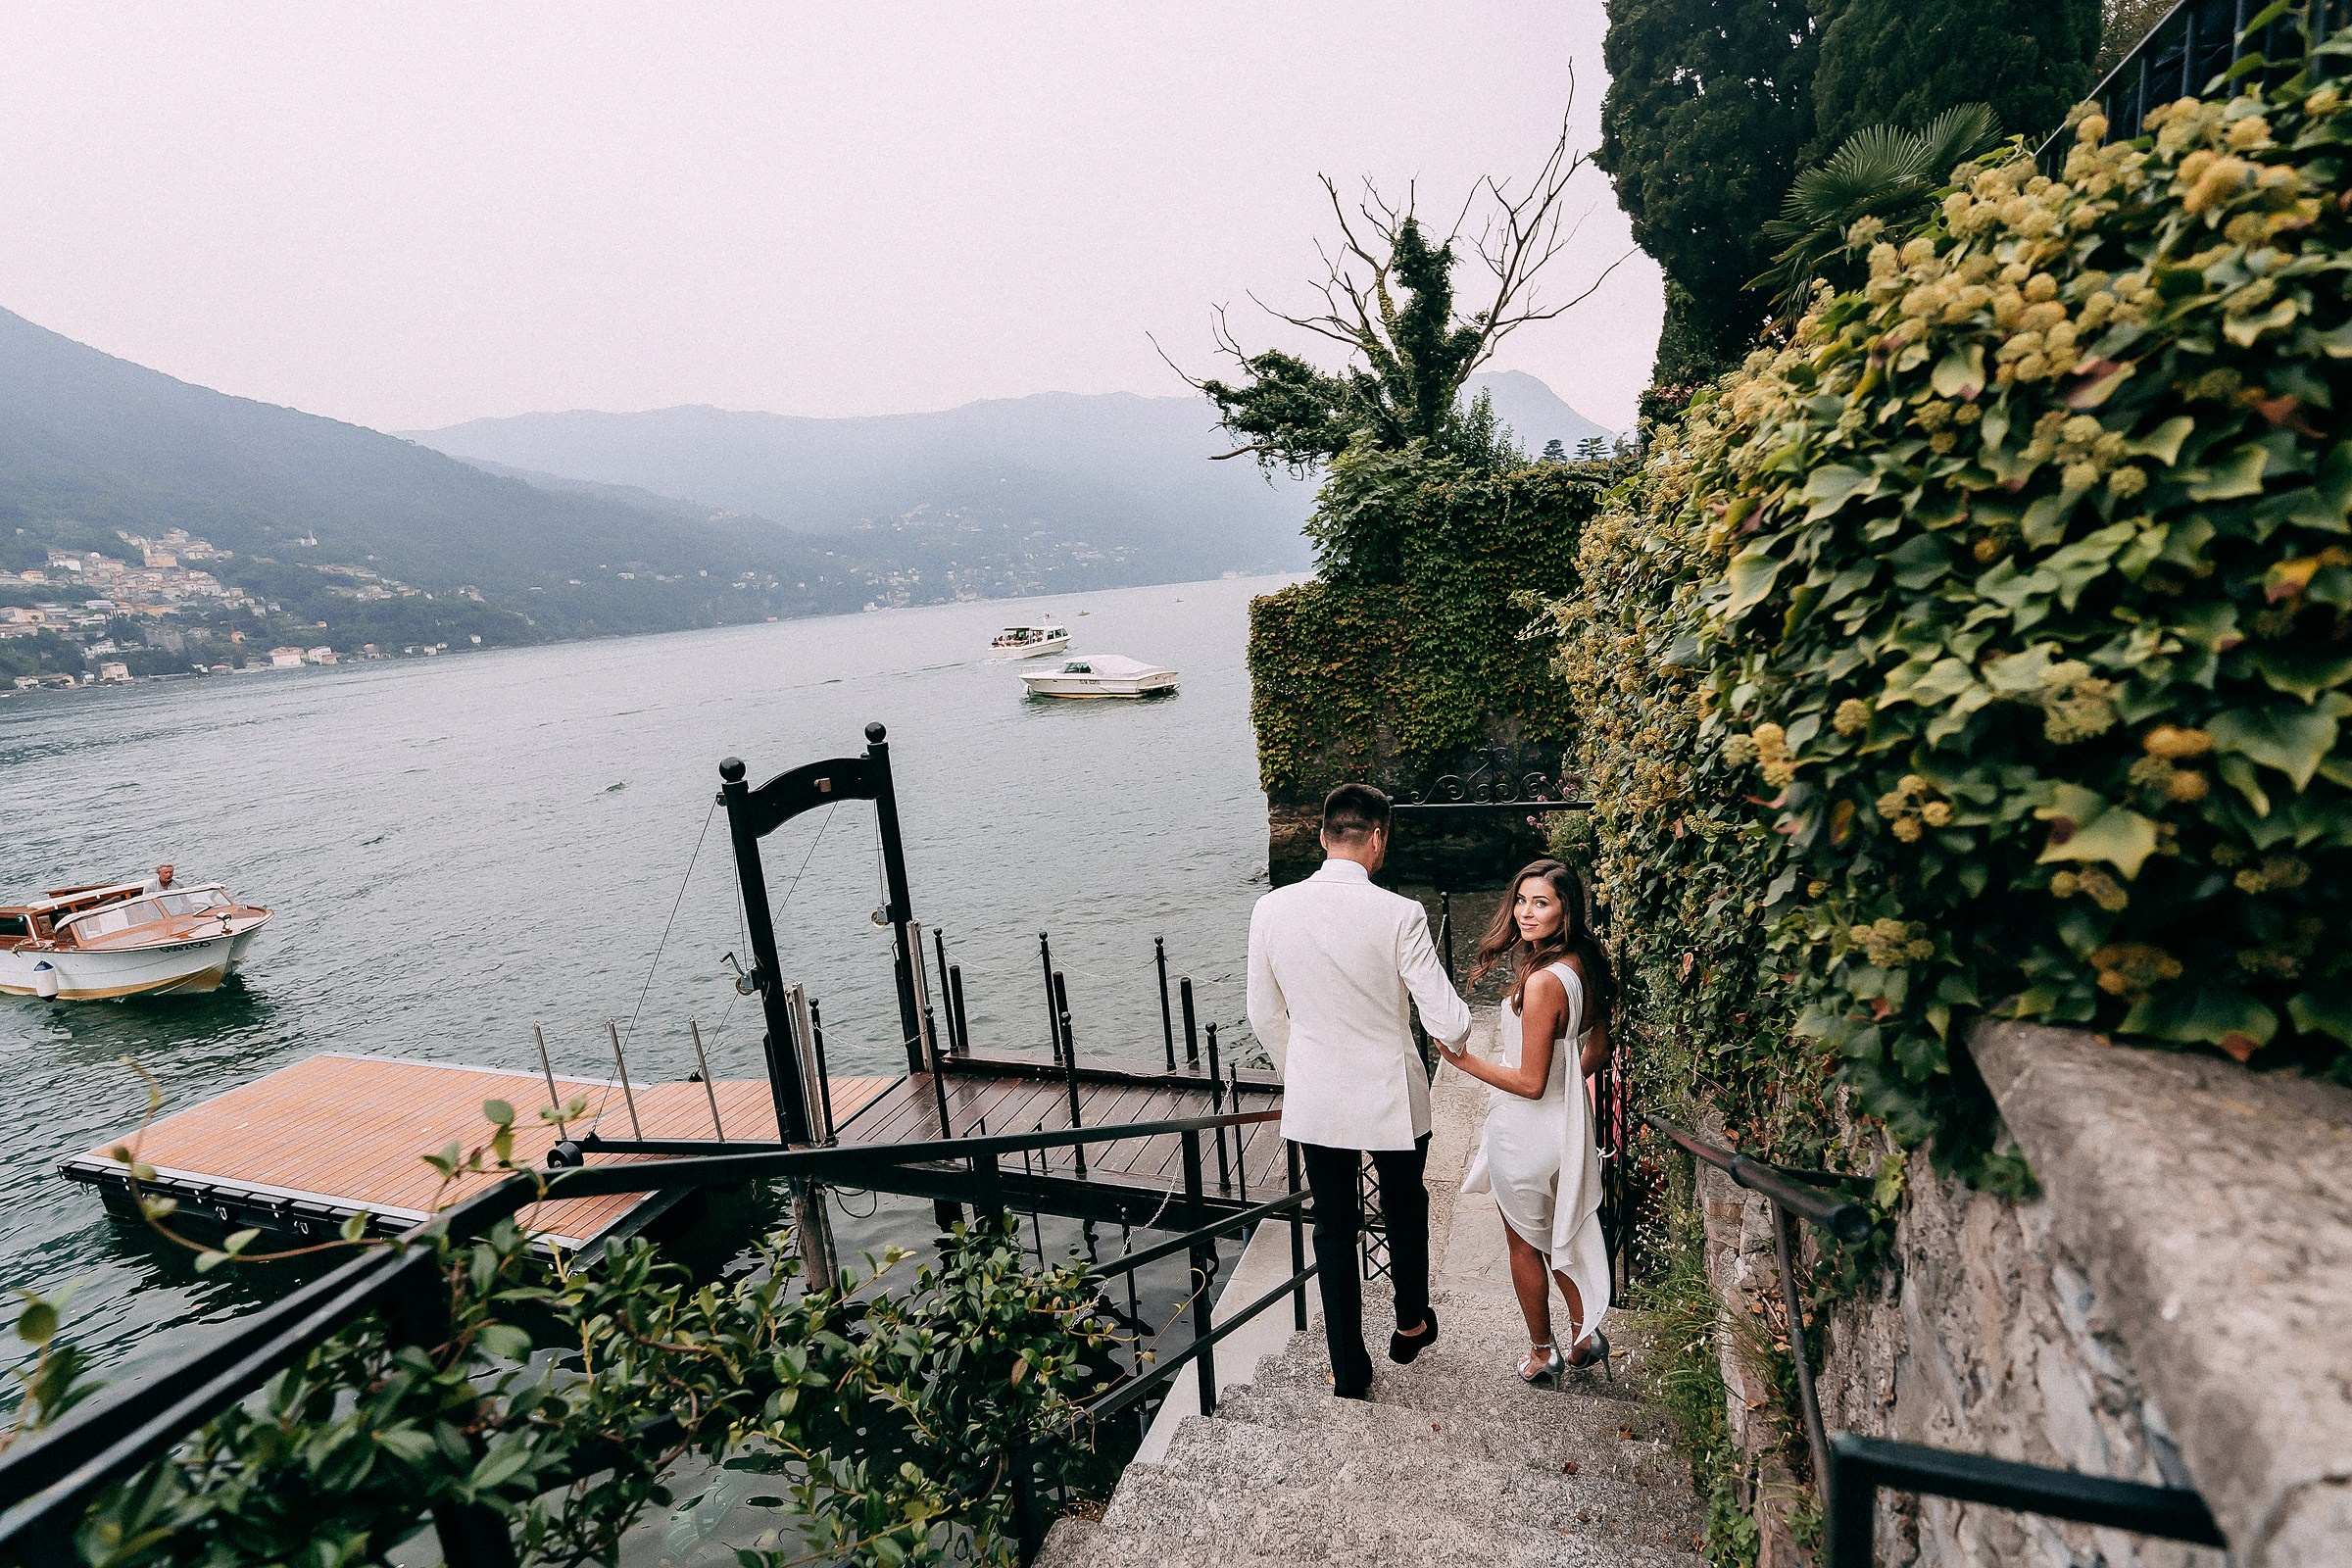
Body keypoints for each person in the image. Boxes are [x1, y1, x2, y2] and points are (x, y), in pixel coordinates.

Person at [1247, 782, 1473, 1399]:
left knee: (1333, 1226)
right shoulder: (1400, 915)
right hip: (1392, 1094)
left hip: (1317, 1096)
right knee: (1404, 1207)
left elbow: (1263, 1014)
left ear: (1323, 837)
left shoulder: (1270, 910)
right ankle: (1410, 1322)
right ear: (1377, 839)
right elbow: (1447, 1023)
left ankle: (1348, 1368)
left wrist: (1308, 1067)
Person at [1441, 858, 1616, 1384]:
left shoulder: (1542, 983)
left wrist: (1462, 1061)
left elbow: (1529, 1082)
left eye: (1541, 903)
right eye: (1521, 900)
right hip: (1567, 1128)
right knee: (1560, 1233)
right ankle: (1585, 1337)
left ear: (1566, 910)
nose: (1524, 912)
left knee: (1526, 1244)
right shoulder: (1588, 959)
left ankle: (1544, 1354)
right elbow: (1597, 1049)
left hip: (1526, 1133)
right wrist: (1567, 1091)